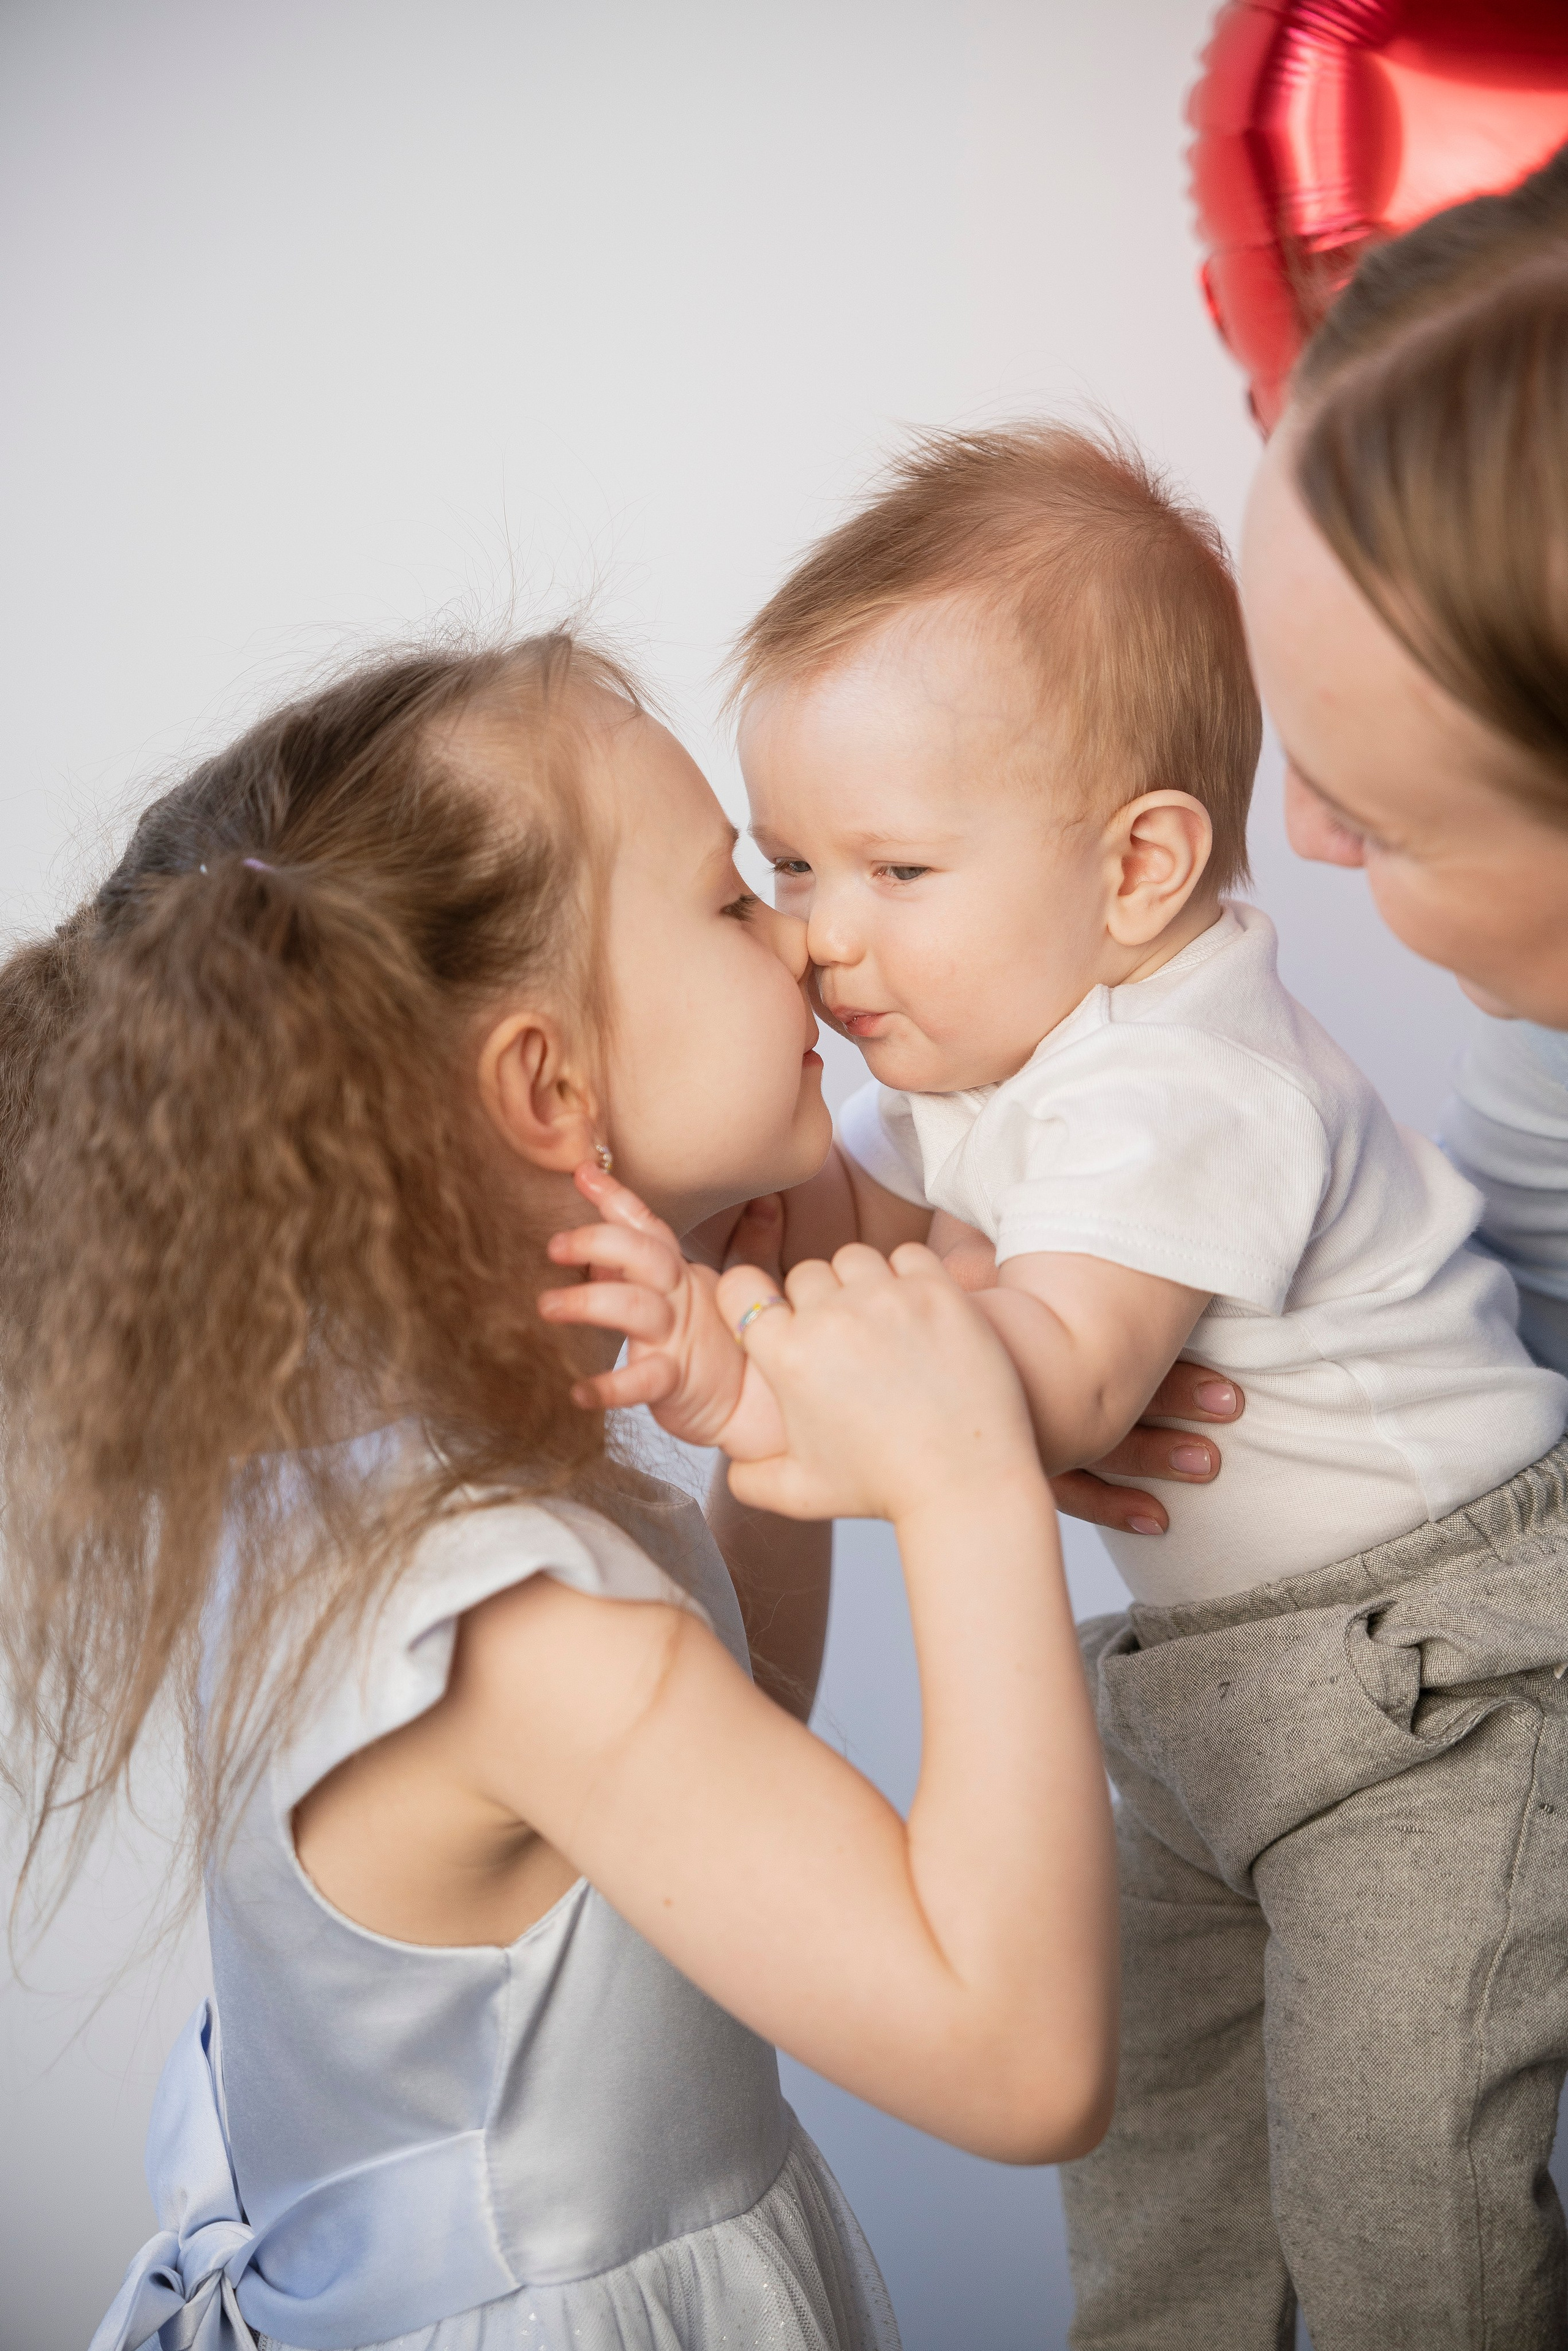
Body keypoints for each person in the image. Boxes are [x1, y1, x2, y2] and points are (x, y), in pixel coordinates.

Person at [0, 635, 1117, 2351]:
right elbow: (1020, 2060)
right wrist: (968, 1485)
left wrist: (765, 1416)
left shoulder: (343, 1497)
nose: (804, 935)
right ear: (545, 1088)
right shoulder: (518, 1634)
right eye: (730, 898)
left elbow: (703, 1802)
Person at [718, 413, 1568, 2351]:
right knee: (1161, 2182)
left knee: (1400, 2202)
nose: (824, 937)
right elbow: (890, 1253)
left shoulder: (1190, 1075)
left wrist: (750, 1367)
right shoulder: (998, 1048)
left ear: (1138, 868)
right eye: (789, 866)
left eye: (895, 868)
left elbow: (1048, 1390)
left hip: (1436, 1692)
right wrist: (760, 1224)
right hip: (1212, 1701)